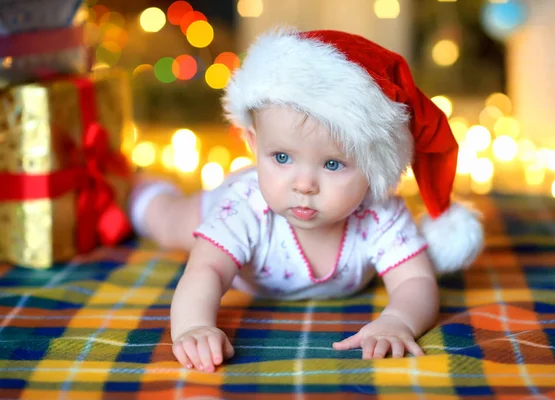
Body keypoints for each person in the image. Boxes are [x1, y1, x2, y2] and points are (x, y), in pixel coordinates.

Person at [128, 28, 484, 373]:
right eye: (281, 157)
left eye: (332, 164)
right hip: (224, 208)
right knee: (171, 224)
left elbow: (415, 282)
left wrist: (398, 320)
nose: (303, 184)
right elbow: (206, 269)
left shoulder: (379, 214)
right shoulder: (245, 206)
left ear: (373, 167)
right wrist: (193, 327)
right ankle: (142, 193)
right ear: (254, 144)